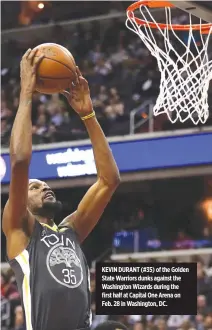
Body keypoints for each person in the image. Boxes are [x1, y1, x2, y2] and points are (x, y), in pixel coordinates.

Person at [2, 48, 121, 330]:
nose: (45, 187)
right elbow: (19, 160)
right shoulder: (20, 231)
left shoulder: (72, 230)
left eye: (45, 185)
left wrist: (88, 115)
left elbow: (109, 180)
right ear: (22, 200)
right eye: (35, 187)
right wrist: (26, 95)